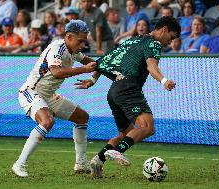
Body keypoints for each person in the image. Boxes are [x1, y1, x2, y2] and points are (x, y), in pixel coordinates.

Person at [75, 16, 180, 178]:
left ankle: (98, 161)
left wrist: (93, 80)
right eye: (171, 37)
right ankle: (117, 151)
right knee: (147, 127)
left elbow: (104, 61)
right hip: (128, 89)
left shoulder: (133, 40)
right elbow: (152, 67)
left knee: (125, 134)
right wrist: (164, 80)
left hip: (114, 92)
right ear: (164, 30)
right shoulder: (154, 43)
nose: (170, 42)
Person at [11, 20, 97, 177]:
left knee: (82, 117)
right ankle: (19, 164)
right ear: (69, 36)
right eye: (80, 41)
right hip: (30, 91)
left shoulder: (74, 51)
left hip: (48, 96)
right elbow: (57, 72)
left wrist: (102, 71)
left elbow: (94, 63)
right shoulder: (57, 48)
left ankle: (81, 163)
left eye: (84, 41)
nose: (82, 45)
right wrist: (84, 70)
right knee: (47, 121)